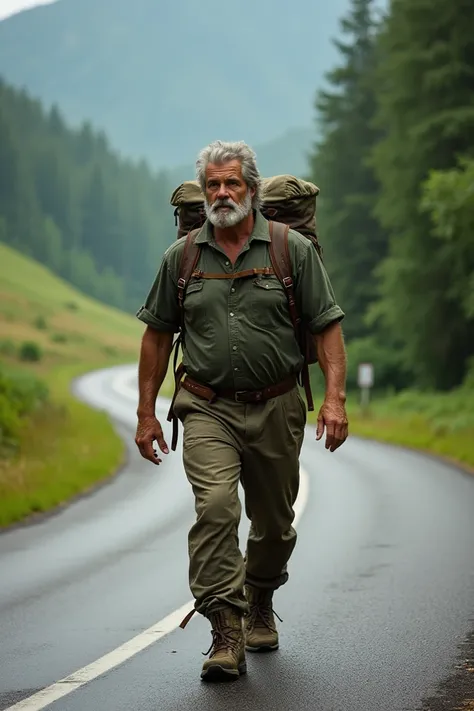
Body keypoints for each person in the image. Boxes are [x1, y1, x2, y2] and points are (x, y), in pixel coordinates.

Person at [135, 140, 348, 682]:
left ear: (252, 190)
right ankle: (225, 631)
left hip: (278, 404)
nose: (222, 193)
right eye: (213, 184)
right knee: (216, 509)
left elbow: (325, 325)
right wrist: (146, 413)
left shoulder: (290, 249)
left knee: (275, 525)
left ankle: (259, 597)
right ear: (203, 192)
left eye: (232, 183)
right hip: (206, 408)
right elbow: (157, 336)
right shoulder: (181, 258)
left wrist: (334, 399)